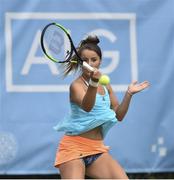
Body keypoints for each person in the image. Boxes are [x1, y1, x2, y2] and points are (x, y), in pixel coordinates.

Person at [53, 35, 150, 179]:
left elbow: (118, 115)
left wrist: (129, 94)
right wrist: (93, 82)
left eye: (94, 60)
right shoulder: (76, 86)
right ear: (80, 63)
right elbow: (87, 106)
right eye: (85, 60)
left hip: (96, 148)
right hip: (73, 148)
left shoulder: (105, 84)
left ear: (100, 61)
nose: (90, 63)